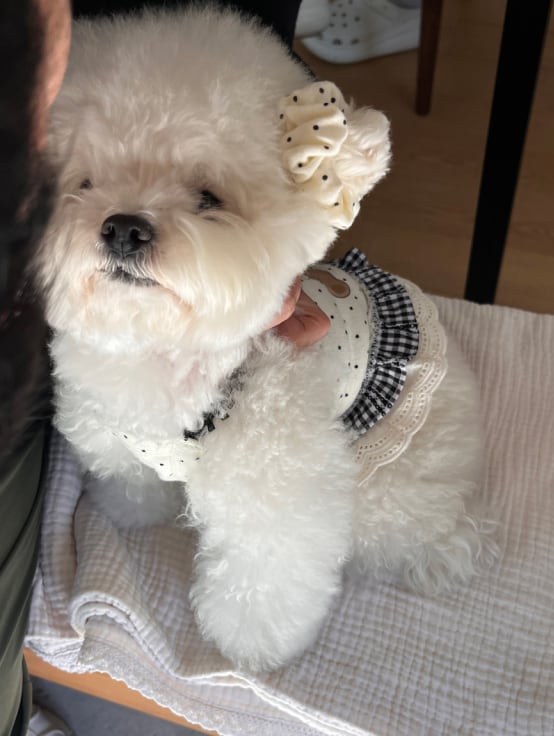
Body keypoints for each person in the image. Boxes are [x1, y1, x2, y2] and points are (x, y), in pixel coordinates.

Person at [0, 1, 327, 733]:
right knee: (122, 459)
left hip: (260, 382)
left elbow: (284, 524)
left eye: (205, 199)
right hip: (124, 380)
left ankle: (256, 625)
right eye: (88, 184)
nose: (124, 225)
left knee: (273, 511)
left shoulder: (260, 382)